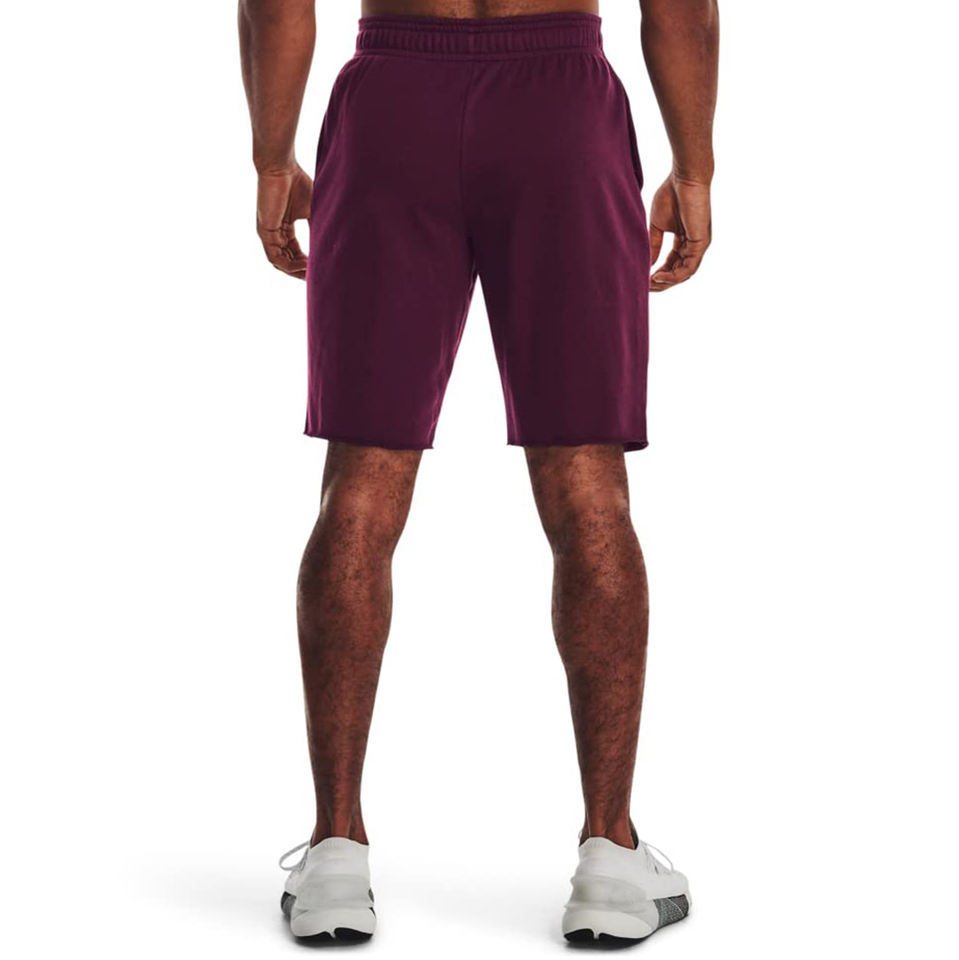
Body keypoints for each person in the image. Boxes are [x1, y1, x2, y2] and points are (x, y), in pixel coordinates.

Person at [239, 0, 718, 945]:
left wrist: (270, 157)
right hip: (561, 114)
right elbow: (680, 6)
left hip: (391, 111)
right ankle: (610, 856)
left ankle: (334, 853)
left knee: (360, 481)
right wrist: (693, 169)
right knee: (585, 482)